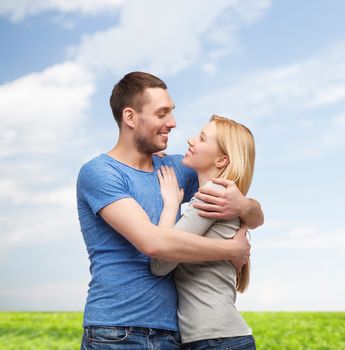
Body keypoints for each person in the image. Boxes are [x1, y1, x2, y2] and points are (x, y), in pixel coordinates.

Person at [77, 72, 263, 349]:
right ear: (130, 117)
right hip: (116, 330)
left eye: (171, 113)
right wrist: (231, 250)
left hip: (173, 334)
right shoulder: (101, 173)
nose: (173, 124)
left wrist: (245, 206)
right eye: (162, 114)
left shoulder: (176, 169)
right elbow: (153, 243)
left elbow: (241, 200)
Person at [151, 115, 257, 350]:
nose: (190, 140)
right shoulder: (224, 194)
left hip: (215, 340)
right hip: (219, 337)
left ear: (221, 160)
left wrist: (171, 204)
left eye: (201, 138)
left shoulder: (212, 196)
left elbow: (160, 263)